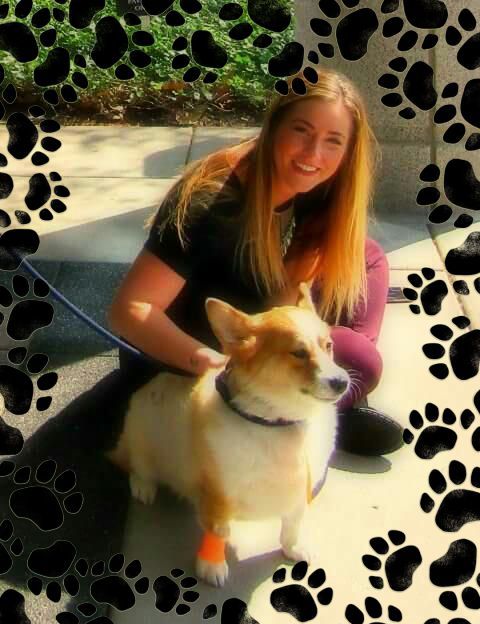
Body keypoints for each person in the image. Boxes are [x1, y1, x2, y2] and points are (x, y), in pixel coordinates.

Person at [108, 66, 404, 457]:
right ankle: (331, 404)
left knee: (367, 257)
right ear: (274, 125)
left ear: (349, 151)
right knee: (358, 358)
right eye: (301, 131)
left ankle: (322, 394)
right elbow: (130, 310)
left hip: (260, 318)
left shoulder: (319, 185)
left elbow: (287, 294)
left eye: (333, 141)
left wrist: (307, 337)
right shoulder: (212, 204)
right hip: (193, 359)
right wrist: (213, 364)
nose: (313, 154)